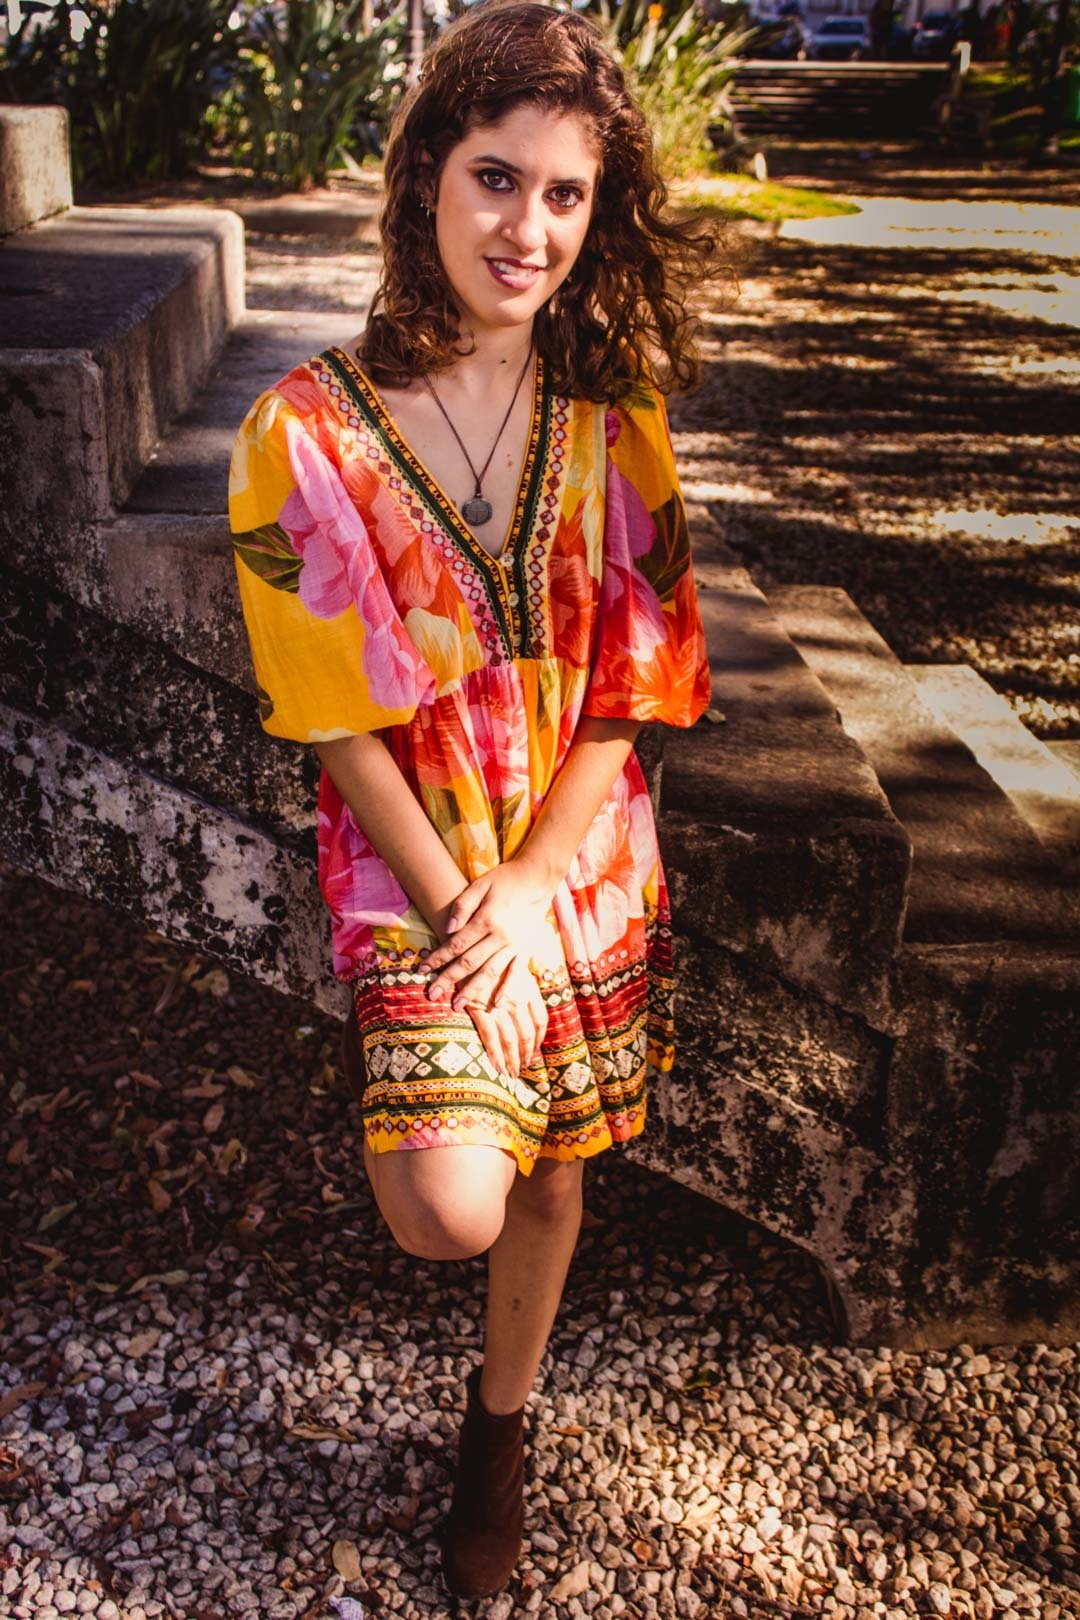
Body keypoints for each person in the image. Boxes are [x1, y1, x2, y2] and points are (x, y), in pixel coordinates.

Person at [227, 0, 720, 1599]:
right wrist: (463, 908)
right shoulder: (302, 432)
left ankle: (497, 1430)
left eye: (566, 194)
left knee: (555, 1171)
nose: (529, 228)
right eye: (497, 178)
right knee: (450, 1204)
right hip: (415, 858)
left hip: (576, 849)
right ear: (429, 171)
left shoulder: (614, 417)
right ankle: (420, 1085)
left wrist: (533, 886)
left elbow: (640, 675)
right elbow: (334, 715)